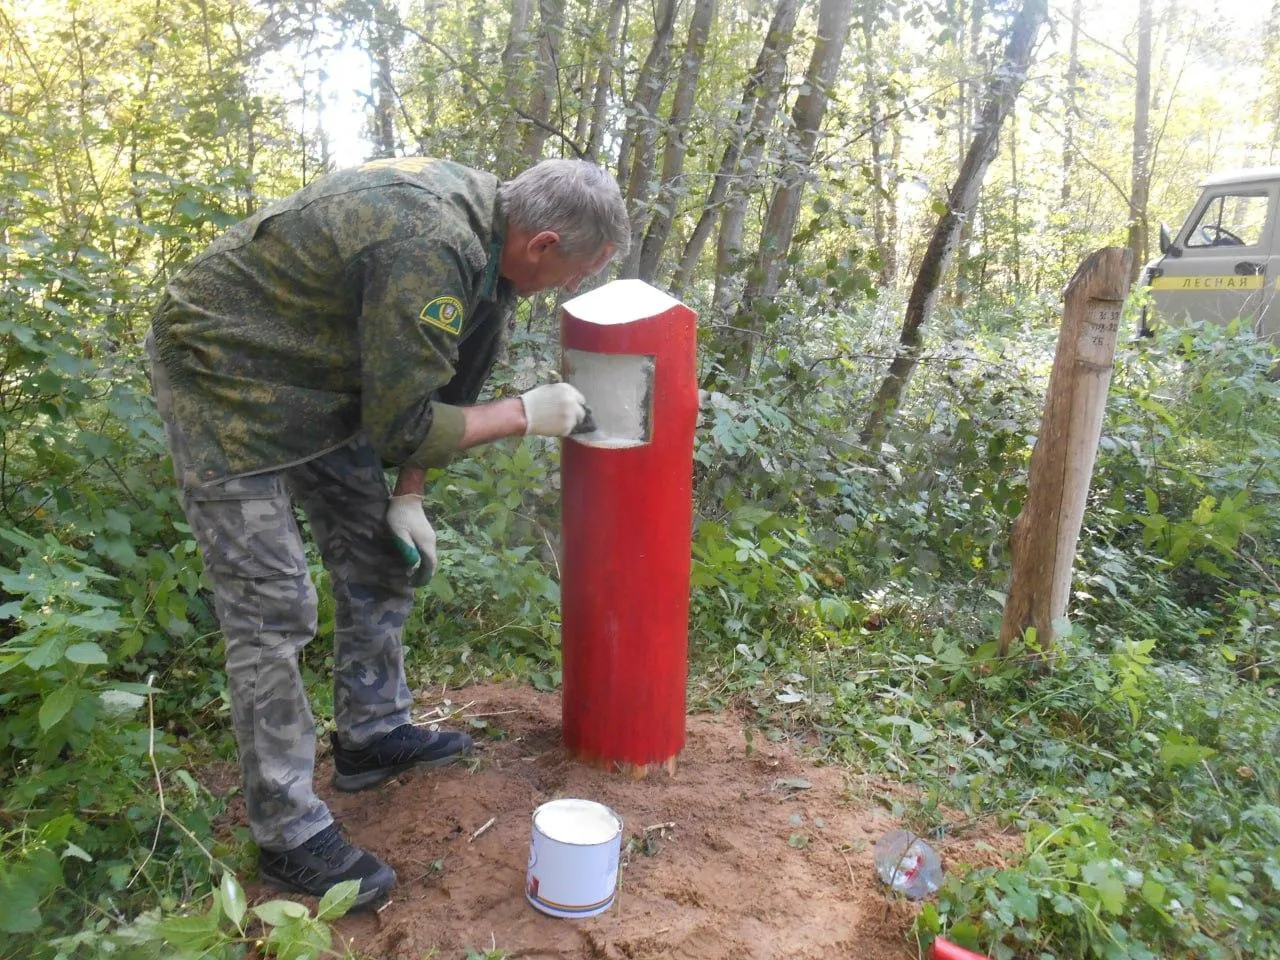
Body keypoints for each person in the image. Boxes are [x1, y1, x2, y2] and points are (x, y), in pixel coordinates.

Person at [146, 156, 629, 908]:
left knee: (380, 554)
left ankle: (370, 737)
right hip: (225, 373)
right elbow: (404, 420)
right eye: (574, 270)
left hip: (321, 379)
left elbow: (444, 388)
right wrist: (524, 415)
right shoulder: (424, 243)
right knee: (274, 609)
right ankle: (288, 833)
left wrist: (409, 495)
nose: (569, 289)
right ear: (541, 241)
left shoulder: (488, 260)